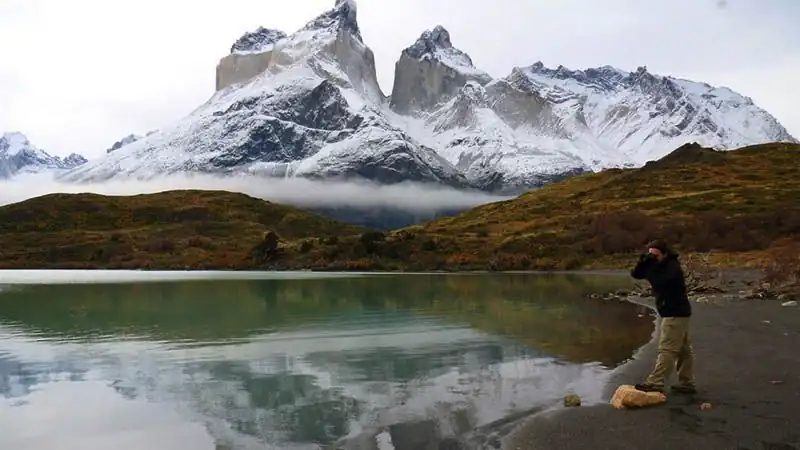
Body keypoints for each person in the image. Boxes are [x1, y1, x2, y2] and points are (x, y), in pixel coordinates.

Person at [630, 239, 696, 394]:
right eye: (651, 254)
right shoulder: (659, 265)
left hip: (675, 312)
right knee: (684, 350)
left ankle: (656, 382)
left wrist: (650, 267)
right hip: (676, 311)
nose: (654, 258)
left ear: (665, 254)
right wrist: (643, 262)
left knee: (667, 348)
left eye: (656, 255)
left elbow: (659, 283)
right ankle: (687, 383)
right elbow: (636, 274)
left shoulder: (672, 268)